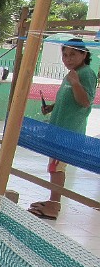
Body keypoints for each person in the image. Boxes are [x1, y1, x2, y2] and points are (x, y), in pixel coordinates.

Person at [28, 39, 97, 220]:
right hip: (58, 129)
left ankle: (53, 206)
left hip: (68, 132)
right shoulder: (72, 74)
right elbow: (68, 100)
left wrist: (75, 83)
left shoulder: (86, 74)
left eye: (73, 54)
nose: (68, 59)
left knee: (56, 167)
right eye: (65, 55)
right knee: (54, 167)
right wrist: (51, 107)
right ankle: (52, 201)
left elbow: (85, 102)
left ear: (84, 54)